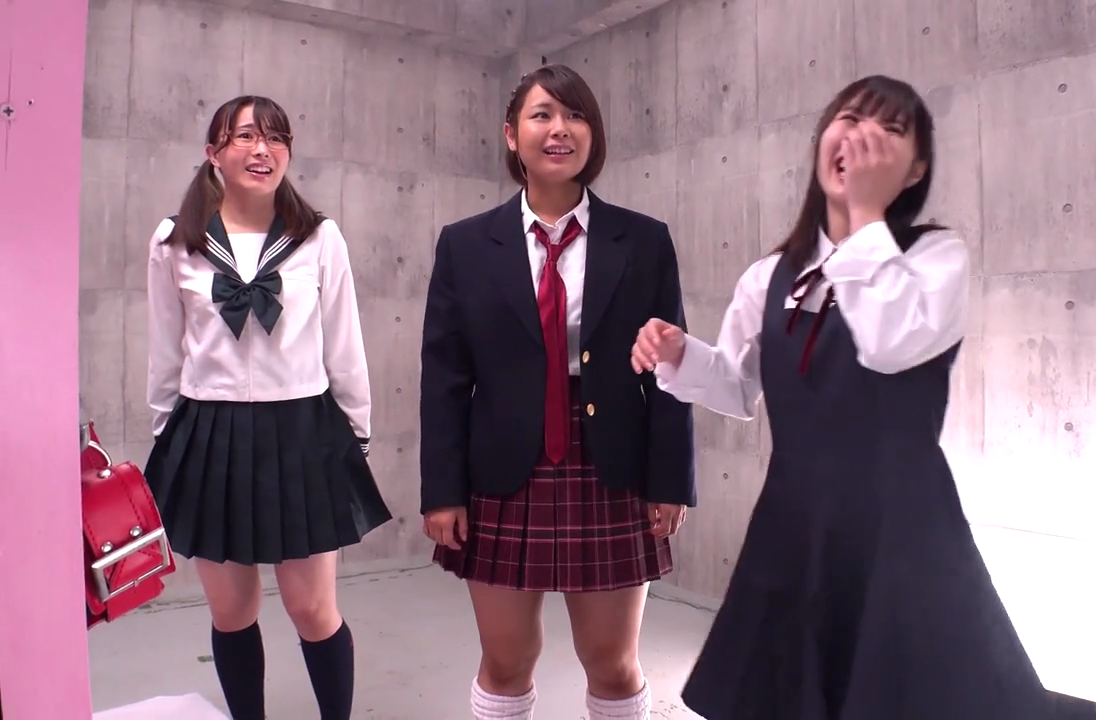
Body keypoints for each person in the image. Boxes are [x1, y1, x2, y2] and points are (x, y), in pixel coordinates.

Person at [632, 75, 1051, 718]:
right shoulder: (769, 276)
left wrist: (866, 220)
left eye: (890, 130)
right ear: (821, 140)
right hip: (794, 523)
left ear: (916, 170)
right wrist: (679, 354)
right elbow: (739, 387)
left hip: (905, 529)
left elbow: (888, 346)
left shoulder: (935, 256)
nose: (863, 137)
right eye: (850, 119)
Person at [419, 63, 695, 719]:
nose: (559, 129)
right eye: (542, 115)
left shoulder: (644, 240)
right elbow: (445, 378)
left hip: (611, 463)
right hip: (501, 468)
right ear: (511, 134)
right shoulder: (465, 245)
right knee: (506, 661)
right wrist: (442, 490)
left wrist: (671, 480)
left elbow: (670, 368)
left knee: (613, 663)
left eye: (575, 116)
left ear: (593, 135)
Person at [143, 95, 393, 720]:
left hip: (303, 430)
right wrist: (168, 438)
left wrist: (356, 435)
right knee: (232, 610)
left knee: (312, 608)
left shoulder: (319, 238)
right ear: (214, 153)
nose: (263, 149)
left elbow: (345, 343)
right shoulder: (175, 241)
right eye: (246, 137)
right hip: (210, 431)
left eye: (276, 137)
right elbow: (164, 349)